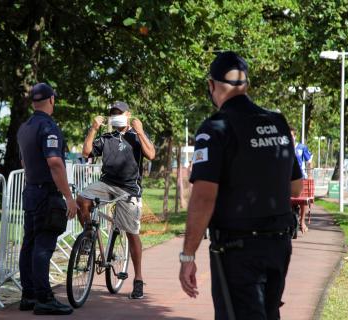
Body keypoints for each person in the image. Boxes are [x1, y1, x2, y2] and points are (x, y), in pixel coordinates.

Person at [179, 52, 303, 320]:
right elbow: (295, 187)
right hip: (279, 244)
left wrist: (188, 256)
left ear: (212, 85)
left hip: (238, 250)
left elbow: (203, 198)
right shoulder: (277, 122)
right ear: (245, 84)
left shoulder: (215, 128)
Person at [76, 101, 155, 299]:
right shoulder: (107, 137)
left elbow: (151, 155)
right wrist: (93, 128)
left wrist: (140, 131)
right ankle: (88, 237)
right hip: (106, 184)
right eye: (113, 113)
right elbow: (86, 153)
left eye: (119, 113)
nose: (116, 116)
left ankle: (138, 279)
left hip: (129, 189)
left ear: (128, 114)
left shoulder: (137, 136)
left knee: (131, 232)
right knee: (82, 200)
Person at [17, 82, 77, 315]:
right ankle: (44, 298)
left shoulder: (25, 128)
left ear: (33, 101)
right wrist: (69, 197)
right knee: (43, 245)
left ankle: (28, 295)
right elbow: (55, 162)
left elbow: (24, 162)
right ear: (52, 99)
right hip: (46, 194)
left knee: (29, 244)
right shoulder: (48, 127)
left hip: (30, 191)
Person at [290, 127, 313, 233]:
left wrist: (309, 175)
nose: (290, 137)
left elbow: (309, 162)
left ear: (295, 136)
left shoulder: (301, 148)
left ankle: (302, 221)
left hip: (300, 178)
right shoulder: (282, 147)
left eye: (291, 135)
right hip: (286, 178)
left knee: (303, 200)